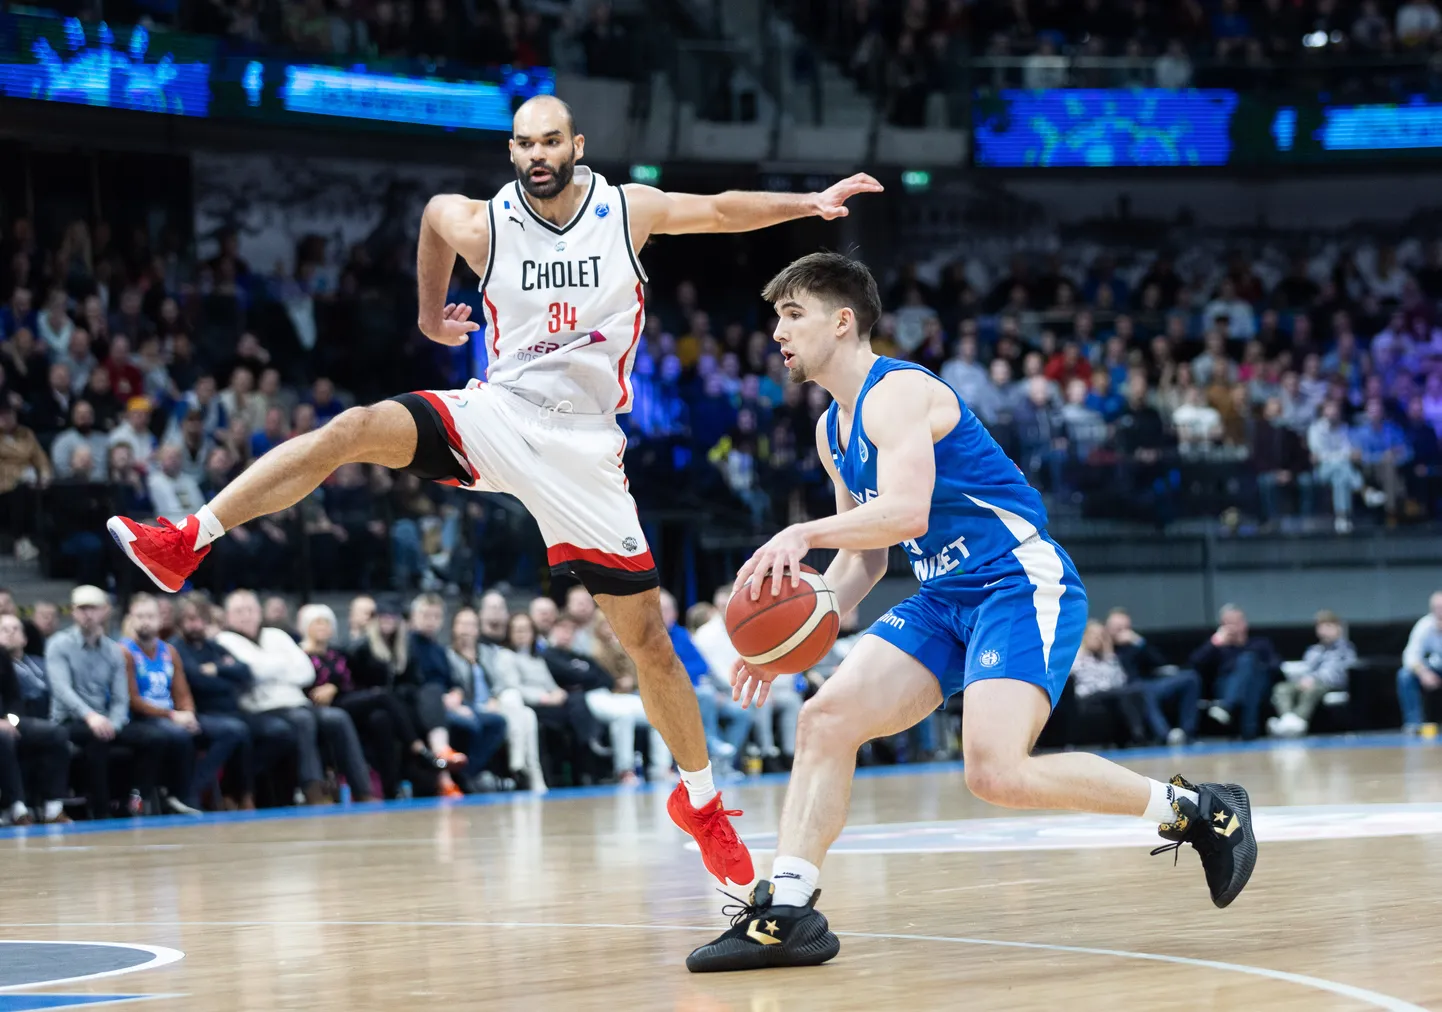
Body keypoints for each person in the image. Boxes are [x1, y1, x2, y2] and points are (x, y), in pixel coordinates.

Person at [108, 96, 882, 886]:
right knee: (351, 428)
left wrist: (808, 204)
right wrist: (428, 316)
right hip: (500, 412)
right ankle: (185, 539)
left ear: (575, 144)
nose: (538, 153)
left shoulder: (625, 210)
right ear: (511, 152)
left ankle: (702, 804)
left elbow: (717, 210)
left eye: (551, 140)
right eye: (524, 144)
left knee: (648, 640)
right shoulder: (484, 220)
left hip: (584, 447)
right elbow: (434, 220)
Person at [686, 252, 1256, 973]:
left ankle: (1202, 811)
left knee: (994, 770)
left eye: (791, 314)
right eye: (776, 318)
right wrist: (787, 637)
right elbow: (867, 558)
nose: (777, 333)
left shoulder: (898, 393)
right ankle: (789, 912)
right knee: (824, 719)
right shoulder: (833, 430)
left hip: (1017, 582)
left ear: (842, 320)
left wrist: (802, 533)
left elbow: (904, 512)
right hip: (944, 597)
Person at [215, 590, 376, 804]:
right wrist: (280, 666)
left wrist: (265, 666)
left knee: (338, 718)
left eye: (250, 609)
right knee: (303, 720)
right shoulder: (224, 640)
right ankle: (314, 791)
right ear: (227, 616)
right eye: (239, 611)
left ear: (259, 612)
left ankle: (363, 791)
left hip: (297, 703)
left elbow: (306, 671)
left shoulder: (276, 635)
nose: (246, 615)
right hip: (260, 708)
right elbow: (253, 672)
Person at [298, 603, 449, 800]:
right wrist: (327, 689)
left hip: (347, 698)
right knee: (382, 696)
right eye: (317, 623)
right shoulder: (301, 654)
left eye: (326, 623)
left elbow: (346, 679)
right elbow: (302, 682)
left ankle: (390, 788)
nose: (323, 627)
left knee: (381, 719)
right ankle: (418, 748)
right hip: (324, 706)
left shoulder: (335, 652)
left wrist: (334, 686)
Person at [120, 594, 247, 814]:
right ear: (131, 619)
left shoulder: (169, 651)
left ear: (160, 620)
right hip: (143, 717)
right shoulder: (125, 651)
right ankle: (181, 795)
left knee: (232, 730)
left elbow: (182, 691)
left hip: (172, 715)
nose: (145, 621)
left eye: (150, 616)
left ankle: (192, 791)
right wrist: (172, 716)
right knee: (179, 735)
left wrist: (188, 713)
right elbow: (132, 699)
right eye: (139, 616)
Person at [171, 594, 293, 810]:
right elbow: (198, 681)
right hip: (202, 712)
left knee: (281, 731)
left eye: (200, 618)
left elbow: (245, 671)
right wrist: (225, 676)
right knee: (237, 731)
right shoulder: (177, 648)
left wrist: (217, 669)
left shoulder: (213, 647)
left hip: (232, 711)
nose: (196, 624)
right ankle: (194, 792)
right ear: (180, 621)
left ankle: (234, 788)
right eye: (190, 619)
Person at [46, 585, 130, 819]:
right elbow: (62, 690)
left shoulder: (114, 650)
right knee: (97, 740)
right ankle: (102, 811)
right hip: (67, 720)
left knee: (154, 738)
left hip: (103, 720)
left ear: (105, 611)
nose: (87, 614)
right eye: (82, 609)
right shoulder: (58, 644)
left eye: (92, 608)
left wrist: (114, 724)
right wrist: (90, 717)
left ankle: (133, 803)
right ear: (73, 612)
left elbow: (121, 698)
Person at [449, 606, 544, 792]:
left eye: (472, 625)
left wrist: (494, 697)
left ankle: (528, 769)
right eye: (463, 624)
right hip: (470, 706)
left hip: (494, 704)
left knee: (527, 714)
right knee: (515, 714)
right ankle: (517, 770)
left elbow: (500, 682)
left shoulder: (488, 653)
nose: (467, 629)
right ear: (454, 628)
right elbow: (453, 686)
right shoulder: (449, 655)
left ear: (478, 629)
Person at [0, 613, 71, 824]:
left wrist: (10, 720)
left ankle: (53, 805)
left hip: (7, 720)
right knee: (3, 739)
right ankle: (16, 806)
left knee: (56, 733)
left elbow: (13, 696)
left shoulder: (2, 656)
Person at [1105, 608, 1201, 745]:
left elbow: (1160, 662)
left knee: (1190, 678)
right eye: (1118, 628)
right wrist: (1110, 643)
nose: (1123, 632)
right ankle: (1166, 736)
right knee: (1142, 690)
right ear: (1108, 628)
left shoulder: (1136, 644)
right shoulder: (1105, 647)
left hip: (1151, 682)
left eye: (1126, 628)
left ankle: (1189, 733)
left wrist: (1139, 642)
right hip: (1129, 689)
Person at [1188, 604, 1279, 741]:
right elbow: (1194, 664)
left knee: (1249, 665)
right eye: (1229, 623)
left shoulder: (1260, 644)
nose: (1234, 627)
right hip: (1226, 686)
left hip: (1260, 687)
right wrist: (1214, 643)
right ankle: (1249, 732)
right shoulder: (1218, 648)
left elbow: (1276, 666)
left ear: (1245, 623)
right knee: (1249, 685)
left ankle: (1227, 707)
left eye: (1237, 622)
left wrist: (1256, 667)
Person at [1269, 610, 1355, 737]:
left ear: (1338, 628)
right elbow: (1305, 668)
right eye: (1321, 626)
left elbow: (1336, 673)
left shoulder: (1345, 649)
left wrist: (1313, 679)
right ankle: (1288, 720)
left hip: (1329, 683)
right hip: (1306, 681)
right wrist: (1302, 679)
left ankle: (1297, 721)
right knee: (1282, 688)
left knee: (1311, 690)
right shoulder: (1314, 650)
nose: (1324, 630)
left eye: (1328, 626)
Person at [1397, 591, 1442, 732]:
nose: (1440, 612)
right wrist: (1423, 673)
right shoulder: (1424, 625)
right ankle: (1414, 723)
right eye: (1436, 608)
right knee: (1405, 675)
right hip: (1434, 667)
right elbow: (1410, 655)